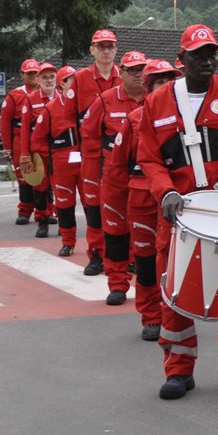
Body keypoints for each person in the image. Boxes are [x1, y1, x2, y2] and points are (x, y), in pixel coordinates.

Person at [137, 25, 218, 400]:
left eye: (212, 54)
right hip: (180, 212)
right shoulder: (157, 102)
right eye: (199, 55)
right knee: (174, 294)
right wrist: (166, 192)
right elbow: (148, 157)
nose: (208, 60)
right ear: (182, 61)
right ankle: (179, 371)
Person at [103, 58, 175, 341]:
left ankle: (174, 315)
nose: (166, 87)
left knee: (172, 262)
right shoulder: (134, 121)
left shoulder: (188, 119)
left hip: (176, 202)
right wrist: (118, 208)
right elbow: (117, 168)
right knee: (145, 263)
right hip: (142, 201)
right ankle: (151, 317)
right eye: (159, 82)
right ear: (149, 87)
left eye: (170, 81)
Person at [84, 51, 149, 308]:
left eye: (141, 70)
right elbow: (88, 134)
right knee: (115, 234)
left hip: (145, 180)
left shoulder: (155, 101)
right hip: (114, 180)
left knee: (145, 235)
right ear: (120, 73)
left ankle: (147, 288)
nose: (137, 75)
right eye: (132, 70)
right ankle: (117, 284)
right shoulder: (106, 100)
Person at [73, 30, 120, 276]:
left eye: (110, 46)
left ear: (115, 49)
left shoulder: (125, 77)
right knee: (93, 206)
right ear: (92, 49)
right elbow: (69, 117)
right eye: (101, 46)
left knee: (120, 206)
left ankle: (125, 256)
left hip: (118, 155)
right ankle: (96, 255)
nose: (105, 51)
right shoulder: (80, 79)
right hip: (91, 155)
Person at [29, 65, 82, 256]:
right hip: (61, 164)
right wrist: (51, 157)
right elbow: (38, 140)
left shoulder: (88, 104)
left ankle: (97, 247)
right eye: (71, 80)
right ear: (62, 84)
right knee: (65, 205)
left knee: (93, 207)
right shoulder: (50, 109)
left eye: (77, 80)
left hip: (86, 163)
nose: (75, 84)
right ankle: (68, 241)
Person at [16, 62, 58, 238]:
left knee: (60, 188)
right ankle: (42, 222)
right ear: (38, 79)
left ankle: (62, 221)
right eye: (44, 77)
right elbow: (24, 130)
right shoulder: (30, 100)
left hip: (58, 152)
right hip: (39, 153)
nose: (48, 80)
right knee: (40, 188)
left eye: (51, 77)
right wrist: (25, 155)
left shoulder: (63, 98)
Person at [0, 59, 41, 225]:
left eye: (35, 73)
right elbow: (4, 123)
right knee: (24, 176)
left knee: (43, 176)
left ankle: (45, 211)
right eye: (29, 73)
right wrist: (7, 148)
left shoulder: (47, 93)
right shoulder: (14, 96)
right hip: (19, 139)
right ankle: (25, 211)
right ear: (22, 74)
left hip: (40, 139)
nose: (33, 76)